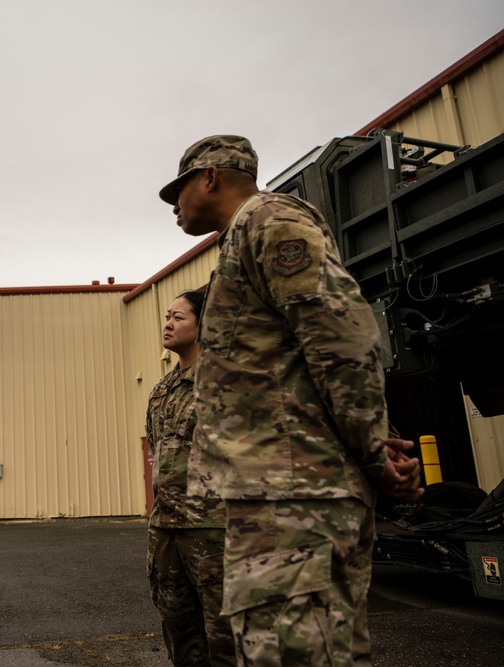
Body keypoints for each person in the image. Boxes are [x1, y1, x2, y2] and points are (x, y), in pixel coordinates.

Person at [158, 135, 423, 666]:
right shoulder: (240, 241)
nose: (174, 207)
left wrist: (372, 454)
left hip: (299, 494)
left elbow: (343, 338)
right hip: (272, 491)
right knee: (273, 650)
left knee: (301, 654)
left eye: (178, 191)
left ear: (210, 176)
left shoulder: (271, 221)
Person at [146, 289, 234, 667]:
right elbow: (156, 449)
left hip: (214, 530)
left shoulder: (225, 380)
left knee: (226, 633)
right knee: (179, 628)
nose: (168, 323)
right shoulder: (161, 391)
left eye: (178, 317)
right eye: (167, 316)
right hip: (166, 530)